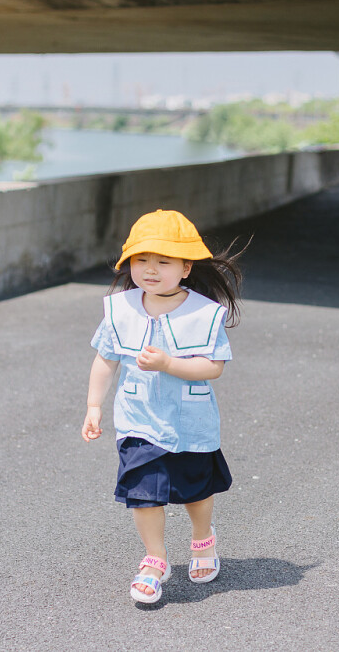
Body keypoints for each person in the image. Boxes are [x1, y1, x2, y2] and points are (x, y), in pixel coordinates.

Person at [81, 208, 245, 604]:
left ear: (186, 267)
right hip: (138, 421)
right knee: (143, 493)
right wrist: (93, 405)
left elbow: (215, 367)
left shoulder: (204, 314)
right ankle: (154, 559)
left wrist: (170, 364)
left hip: (190, 421)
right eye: (141, 260)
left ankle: (203, 540)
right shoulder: (121, 308)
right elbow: (105, 359)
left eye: (163, 261)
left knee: (195, 491)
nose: (150, 270)